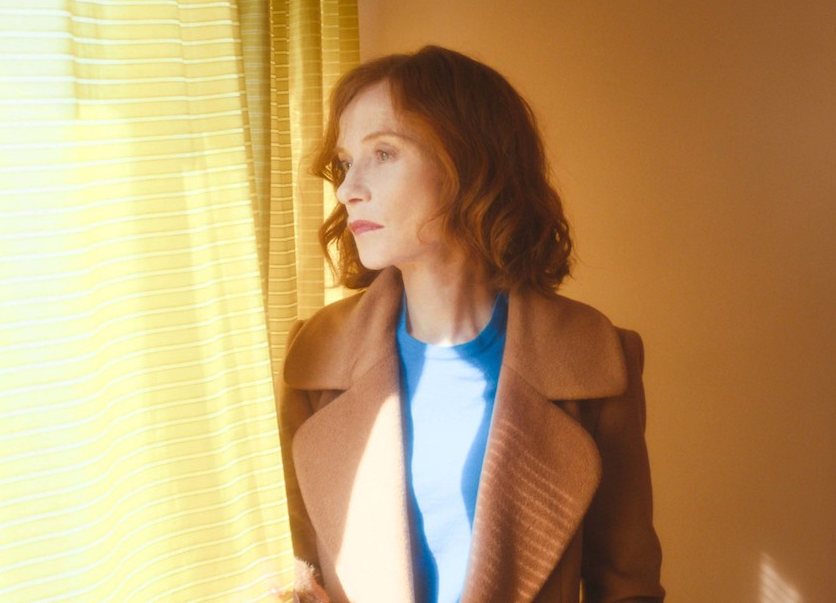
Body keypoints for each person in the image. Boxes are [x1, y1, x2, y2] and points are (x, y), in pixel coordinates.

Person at [277, 45, 664, 603]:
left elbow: (627, 586)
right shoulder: (315, 360)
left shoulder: (594, 360)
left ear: (471, 165)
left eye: (383, 153)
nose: (346, 189)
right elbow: (299, 570)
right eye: (344, 162)